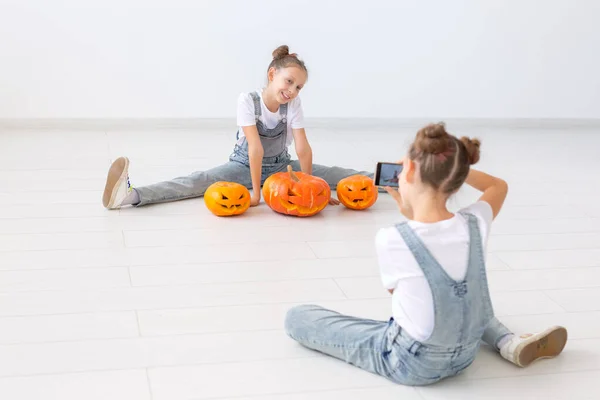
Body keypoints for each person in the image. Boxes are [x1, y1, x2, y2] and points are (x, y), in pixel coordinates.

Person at [284, 123, 568, 386]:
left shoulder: (392, 238)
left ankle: (503, 340)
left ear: (407, 173)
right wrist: (451, 168)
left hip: (413, 364)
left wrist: (411, 208)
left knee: (298, 318)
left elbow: (403, 300)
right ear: (455, 179)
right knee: (465, 303)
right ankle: (507, 341)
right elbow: (498, 186)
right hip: (465, 355)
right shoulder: (475, 222)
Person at [102, 45, 372, 209]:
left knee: (338, 175)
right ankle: (130, 196)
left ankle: (398, 178)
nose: (292, 90)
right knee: (196, 181)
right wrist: (256, 193)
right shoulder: (248, 101)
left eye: (298, 87)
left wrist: (312, 188)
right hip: (243, 165)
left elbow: (303, 148)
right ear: (272, 75)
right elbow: (255, 148)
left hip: (283, 166)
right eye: (289, 81)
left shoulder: (293, 105)